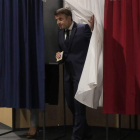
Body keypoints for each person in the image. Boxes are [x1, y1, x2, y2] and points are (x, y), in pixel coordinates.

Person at [55, 8, 94, 140]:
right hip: (68, 75)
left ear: (69, 18)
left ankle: (76, 137)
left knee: (79, 108)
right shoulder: (60, 34)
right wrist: (59, 56)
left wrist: (94, 30)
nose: (58, 22)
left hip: (81, 75)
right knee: (71, 105)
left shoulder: (83, 29)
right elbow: (63, 53)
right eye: (57, 20)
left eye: (60, 19)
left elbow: (93, 46)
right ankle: (87, 133)